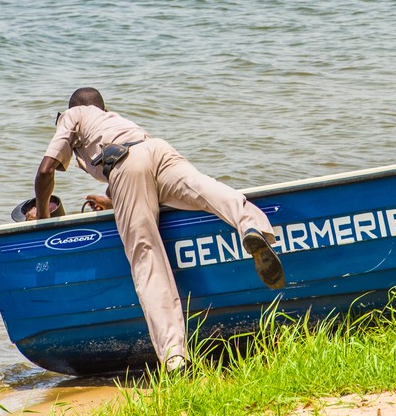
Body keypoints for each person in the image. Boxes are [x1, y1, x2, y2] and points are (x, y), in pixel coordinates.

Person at [30, 87, 285, 372]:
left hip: (126, 166)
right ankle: (252, 228)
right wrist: (113, 199)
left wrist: (42, 219)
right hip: (158, 150)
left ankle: (175, 357)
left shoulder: (73, 114)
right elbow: (139, 167)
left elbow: (45, 171)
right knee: (207, 191)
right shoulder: (115, 120)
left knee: (146, 257)